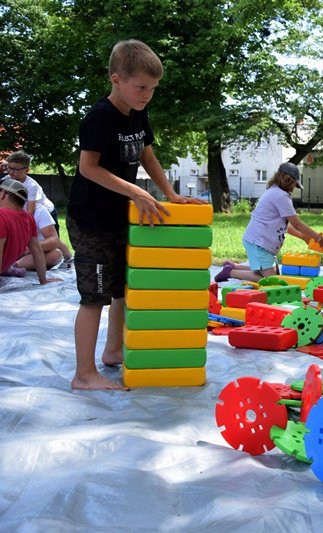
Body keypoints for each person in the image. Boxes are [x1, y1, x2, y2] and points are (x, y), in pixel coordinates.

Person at [67, 39, 200, 391]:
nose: (147, 95)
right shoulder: (100, 117)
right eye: (141, 87)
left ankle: (113, 351)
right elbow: (88, 168)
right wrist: (137, 191)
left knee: (121, 289)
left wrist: (170, 193)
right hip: (91, 221)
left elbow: (146, 154)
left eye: (153, 89)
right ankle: (84, 374)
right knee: (94, 297)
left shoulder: (137, 111)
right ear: (117, 80)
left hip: (120, 217)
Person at [216, 162, 323, 283]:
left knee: (272, 272)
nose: (294, 188)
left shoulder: (274, 191)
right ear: (288, 180)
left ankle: (234, 266)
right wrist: (319, 238)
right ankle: (230, 272)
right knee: (270, 280)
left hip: (258, 241)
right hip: (259, 243)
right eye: (294, 184)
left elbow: (285, 225)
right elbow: (297, 223)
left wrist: (304, 237)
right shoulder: (281, 196)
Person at [0, 178, 61, 284]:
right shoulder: (29, 218)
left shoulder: (2, 215)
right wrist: (43, 279)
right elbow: (37, 250)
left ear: (4, 194)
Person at [5, 150, 61, 236]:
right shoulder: (7, 179)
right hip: (29, 210)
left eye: (15, 169)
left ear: (27, 170)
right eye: (9, 168)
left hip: (46, 212)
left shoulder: (31, 186)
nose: (11, 172)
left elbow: (31, 211)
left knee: (51, 238)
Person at [14, 203, 74, 271]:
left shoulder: (39, 211)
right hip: (12, 251)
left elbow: (54, 240)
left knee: (56, 254)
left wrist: (29, 248)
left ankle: (13, 266)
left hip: (29, 251)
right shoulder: (6, 212)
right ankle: (10, 266)